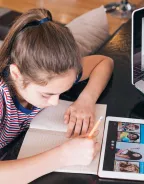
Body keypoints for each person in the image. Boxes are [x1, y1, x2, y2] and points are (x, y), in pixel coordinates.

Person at [0, 9, 114, 183]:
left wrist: (86, 100)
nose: (55, 102)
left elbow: (104, 62)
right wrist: (64, 156)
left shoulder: (56, 72)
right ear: (16, 74)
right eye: (47, 94)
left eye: (61, 91)